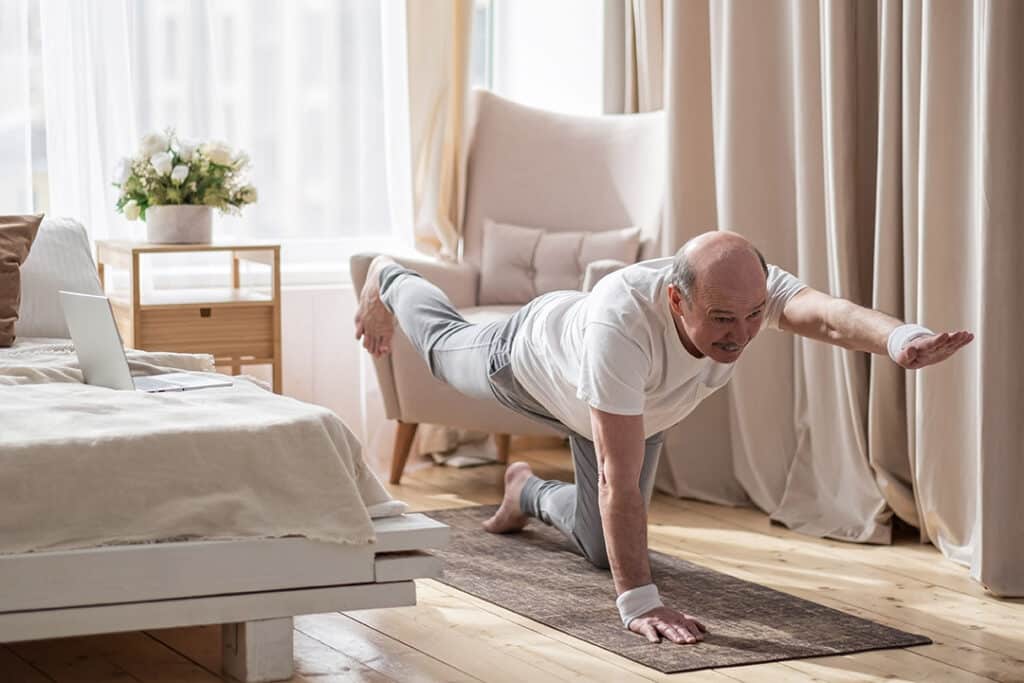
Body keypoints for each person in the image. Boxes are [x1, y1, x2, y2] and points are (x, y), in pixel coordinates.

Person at [354, 231, 973, 646]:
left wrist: (900, 339)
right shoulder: (620, 328)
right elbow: (615, 481)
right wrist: (639, 605)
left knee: (603, 552)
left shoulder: (743, 288)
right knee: (439, 350)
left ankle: (528, 490)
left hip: (632, 410)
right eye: (723, 319)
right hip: (525, 361)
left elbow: (830, 316)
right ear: (677, 299)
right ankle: (391, 276)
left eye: (756, 314)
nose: (743, 333)